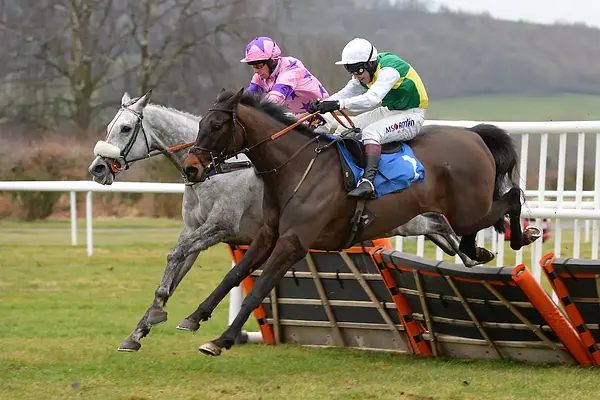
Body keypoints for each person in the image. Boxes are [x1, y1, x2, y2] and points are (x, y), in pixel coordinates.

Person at [309, 38, 428, 198]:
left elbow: (372, 99)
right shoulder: (364, 73)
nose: (355, 76)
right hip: (389, 110)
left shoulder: (389, 69)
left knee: (371, 133)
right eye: (351, 71)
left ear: (370, 63)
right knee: (343, 129)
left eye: (358, 71)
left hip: (412, 115)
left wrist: (338, 105)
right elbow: (344, 94)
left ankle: (368, 182)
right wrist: (322, 105)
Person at [241, 36, 329, 115]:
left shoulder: (291, 66)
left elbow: (276, 99)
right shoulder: (260, 75)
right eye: (253, 66)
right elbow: (247, 98)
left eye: (259, 66)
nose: (256, 71)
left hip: (322, 112)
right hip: (299, 118)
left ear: (272, 61)